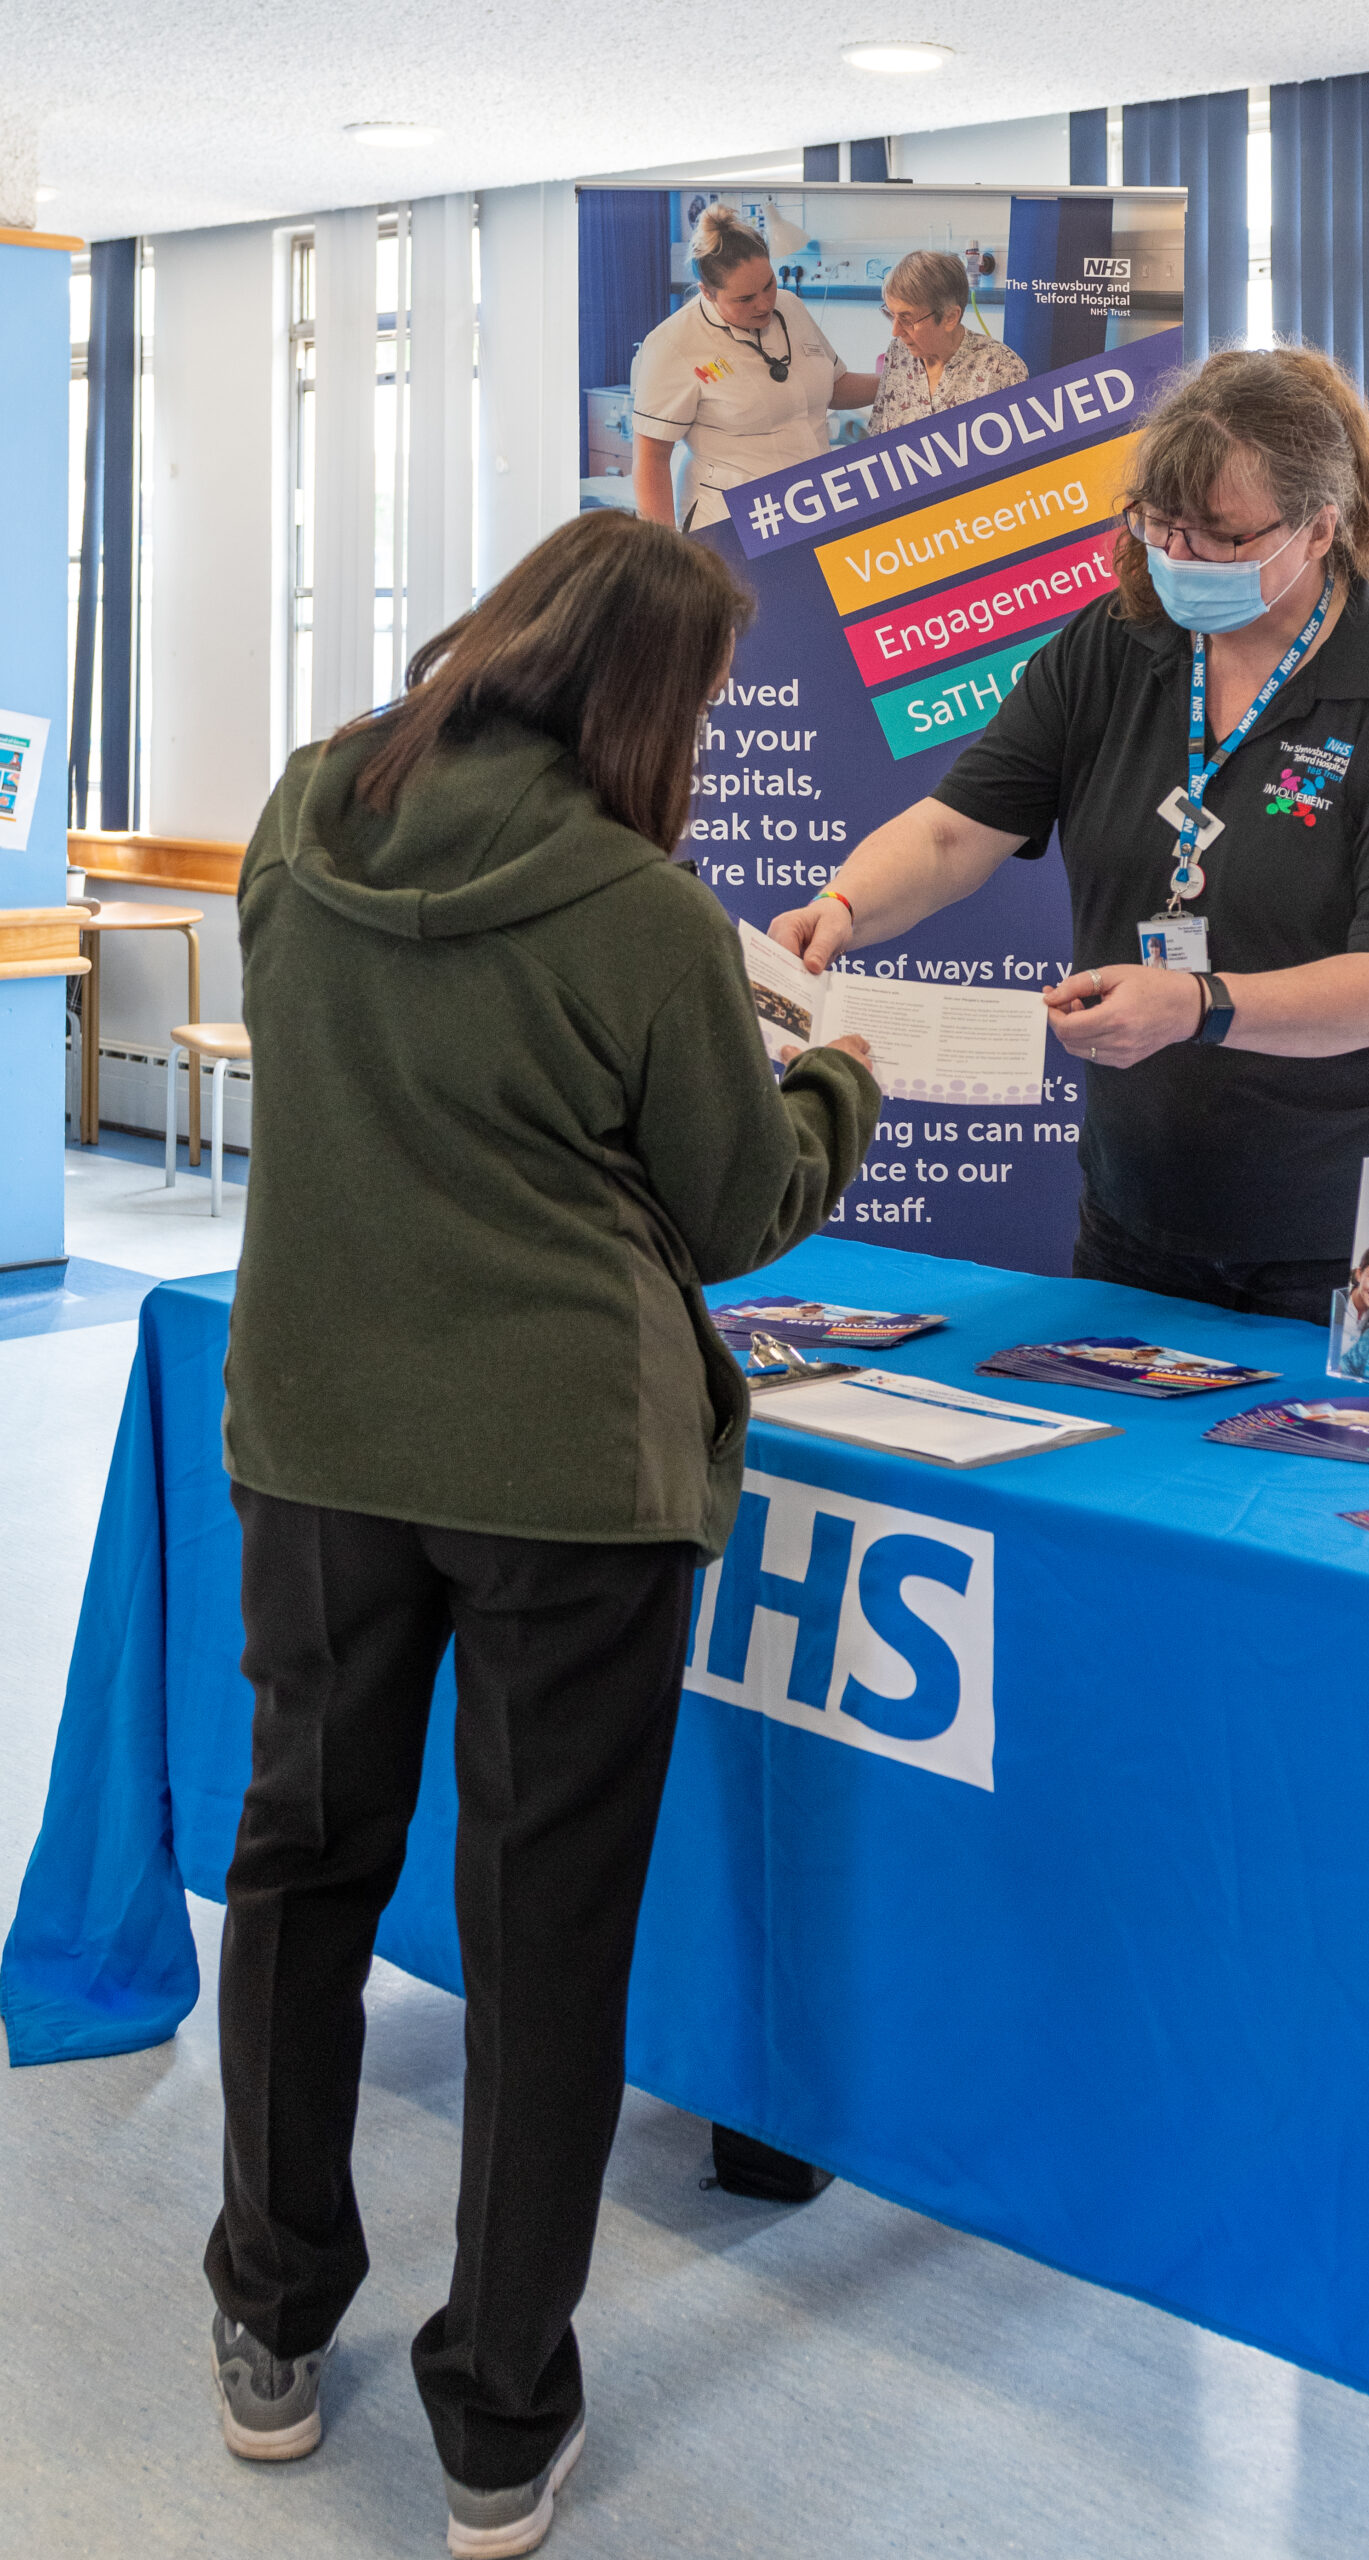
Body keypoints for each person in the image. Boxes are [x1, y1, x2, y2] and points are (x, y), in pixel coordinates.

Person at [204, 512, 879, 2554]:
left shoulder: (300, 810)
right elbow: (739, 1202)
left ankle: (266, 2314)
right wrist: (833, 1079)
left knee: (304, 1865)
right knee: (543, 1930)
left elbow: (341, 1081)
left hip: (316, 1432)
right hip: (565, 1481)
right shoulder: (639, 911)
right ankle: (498, 2419)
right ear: (642, 702)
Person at [768, 346, 1369, 1344]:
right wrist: (846, 905)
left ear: (1319, 527)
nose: (1183, 558)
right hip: (1145, 1202)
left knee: (1320, 1493)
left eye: (1219, 537)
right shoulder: (1115, 647)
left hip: (1356, 1225)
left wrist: (1200, 1005)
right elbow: (956, 832)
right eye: (1163, 527)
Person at [632, 205, 878, 530]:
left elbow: (834, 386)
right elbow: (651, 457)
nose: (764, 304)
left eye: (768, 285)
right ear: (708, 292)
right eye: (745, 299)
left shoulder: (789, 307)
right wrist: (662, 556)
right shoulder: (673, 344)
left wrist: (905, 378)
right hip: (729, 521)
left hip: (812, 507)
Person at [866, 248, 1028, 433]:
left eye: (907, 319)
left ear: (950, 317)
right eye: (891, 314)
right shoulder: (898, 353)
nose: (895, 331)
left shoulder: (1002, 368)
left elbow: (1019, 457)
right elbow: (880, 441)